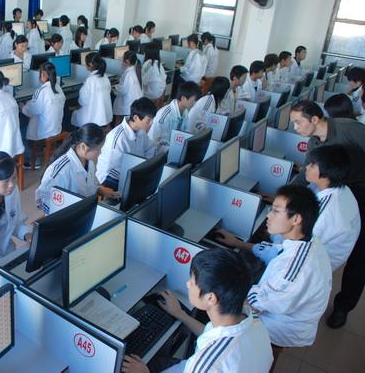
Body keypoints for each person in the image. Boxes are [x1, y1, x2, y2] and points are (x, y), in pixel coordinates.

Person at [215, 185, 331, 370]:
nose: (268, 215)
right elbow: (275, 252)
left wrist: (216, 289)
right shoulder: (307, 240)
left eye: (276, 211)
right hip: (283, 308)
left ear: (296, 219)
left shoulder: (292, 271)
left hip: (282, 326)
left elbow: (256, 303)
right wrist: (238, 243)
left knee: (218, 311)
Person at [121, 248, 273, 373]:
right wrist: (180, 314)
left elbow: (210, 361)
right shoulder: (252, 320)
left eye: (193, 282)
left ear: (211, 298)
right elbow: (213, 335)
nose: (188, 284)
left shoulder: (207, 365)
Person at [289, 100, 365, 329]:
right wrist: (284, 197)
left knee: (360, 255)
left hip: (362, 188)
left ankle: (343, 307)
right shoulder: (314, 142)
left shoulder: (349, 129)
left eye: (298, 122)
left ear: (314, 119)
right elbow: (305, 175)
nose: (295, 128)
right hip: (340, 188)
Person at [36, 123, 119, 214]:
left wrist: (100, 189)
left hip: (85, 210)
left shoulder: (89, 161)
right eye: (98, 149)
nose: (100, 153)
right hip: (69, 217)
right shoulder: (61, 171)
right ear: (83, 147)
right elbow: (42, 200)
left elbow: (90, 184)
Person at [96, 98, 156, 190]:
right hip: (111, 179)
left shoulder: (141, 131)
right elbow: (112, 170)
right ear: (136, 118)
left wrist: (145, 167)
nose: (152, 123)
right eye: (149, 120)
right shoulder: (118, 138)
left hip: (133, 172)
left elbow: (150, 148)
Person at [20, 62, 65, 163]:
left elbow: (32, 111)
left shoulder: (42, 91)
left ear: (44, 74)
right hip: (56, 128)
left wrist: (22, 107)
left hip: (46, 131)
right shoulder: (58, 87)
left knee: (21, 128)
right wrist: (32, 102)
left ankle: (31, 159)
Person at [149, 81, 201, 154]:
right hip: (159, 152)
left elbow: (185, 133)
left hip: (173, 149)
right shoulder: (165, 115)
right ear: (183, 98)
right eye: (193, 100)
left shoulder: (185, 112)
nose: (194, 103)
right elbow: (155, 141)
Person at [71, 53, 112, 128]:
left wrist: (75, 107)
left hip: (93, 118)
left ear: (90, 64)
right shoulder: (105, 77)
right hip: (104, 116)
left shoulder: (90, 80)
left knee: (74, 113)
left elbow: (82, 101)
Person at [113, 50, 142, 122]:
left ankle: (118, 124)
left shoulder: (129, 74)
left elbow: (122, 90)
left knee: (116, 104)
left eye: (122, 59)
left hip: (130, 102)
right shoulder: (131, 71)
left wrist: (114, 87)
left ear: (127, 61)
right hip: (135, 99)